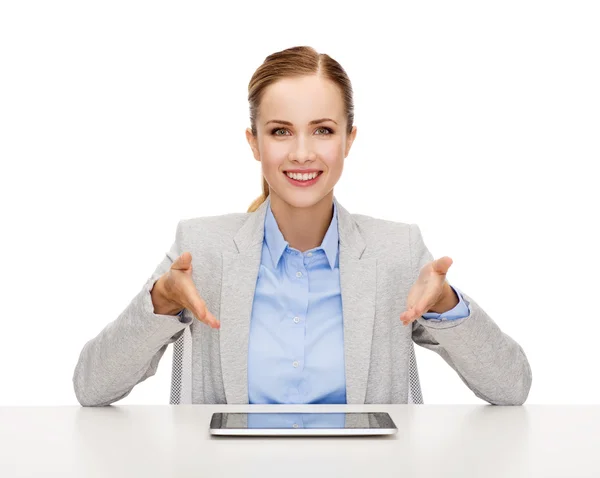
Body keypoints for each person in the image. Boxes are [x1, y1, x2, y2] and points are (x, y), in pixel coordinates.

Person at [73, 45, 532, 407]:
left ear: (349, 139)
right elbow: (91, 387)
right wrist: (160, 302)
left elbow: (511, 387)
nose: (301, 153)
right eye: (280, 131)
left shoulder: (396, 252)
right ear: (254, 143)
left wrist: (448, 305)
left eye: (323, 130)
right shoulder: (202, 250)